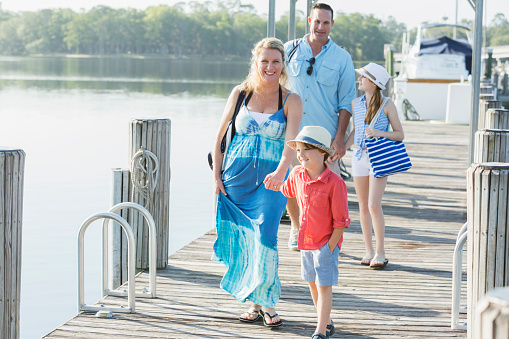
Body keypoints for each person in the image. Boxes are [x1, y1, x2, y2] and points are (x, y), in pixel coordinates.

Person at [211, 37, 303, 326]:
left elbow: (292, 142)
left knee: (265, 236)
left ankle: (268, 301)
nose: (270, 66)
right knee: (243, 240)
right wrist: (216, 176)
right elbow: (220, 136)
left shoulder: (291, 100)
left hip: (272, 180)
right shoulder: (240, 94)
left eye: (276, 61)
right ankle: (255, 302)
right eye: (265, 61)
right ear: (256, 63)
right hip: (235, 176)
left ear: (283, 65)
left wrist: (281, 171)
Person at [284, 2, 356, 250]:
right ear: (309, 21)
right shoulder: (289, 50)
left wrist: (339, 139)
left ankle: (328, 240)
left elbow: (347, 102)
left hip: (325, 138)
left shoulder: (342, 58)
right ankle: (296, 228)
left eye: (326, 22)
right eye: (317, 21)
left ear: (332, 25)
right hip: (292, 133)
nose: (321, 27)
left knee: (328, 191)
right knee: (293, 184)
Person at [279, 126, 350, 339]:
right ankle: (326, 321)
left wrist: (329, 247)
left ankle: (320, 330)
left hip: (326, 242)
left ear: (323, 153)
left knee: (324, 286)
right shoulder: (297, 175)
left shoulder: (335, 183)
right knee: (312, 282)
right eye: (298, 150)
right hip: (305, 241)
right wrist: (270, 182)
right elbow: (286, 190)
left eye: (306, 150)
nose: (300, 155)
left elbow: (341, 221)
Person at [344, 62, 404, 269]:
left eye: (363, 77)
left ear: (374, 83)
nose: (359, 80)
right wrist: (343, 148)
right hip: (358, 156)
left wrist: (380, 133)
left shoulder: (388, 104)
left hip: (378, 157)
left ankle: (381, 251)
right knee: (362, 206)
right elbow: (355, 132)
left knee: (373, 205)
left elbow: (399, 134)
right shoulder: (355, 103)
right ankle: (368, 250)